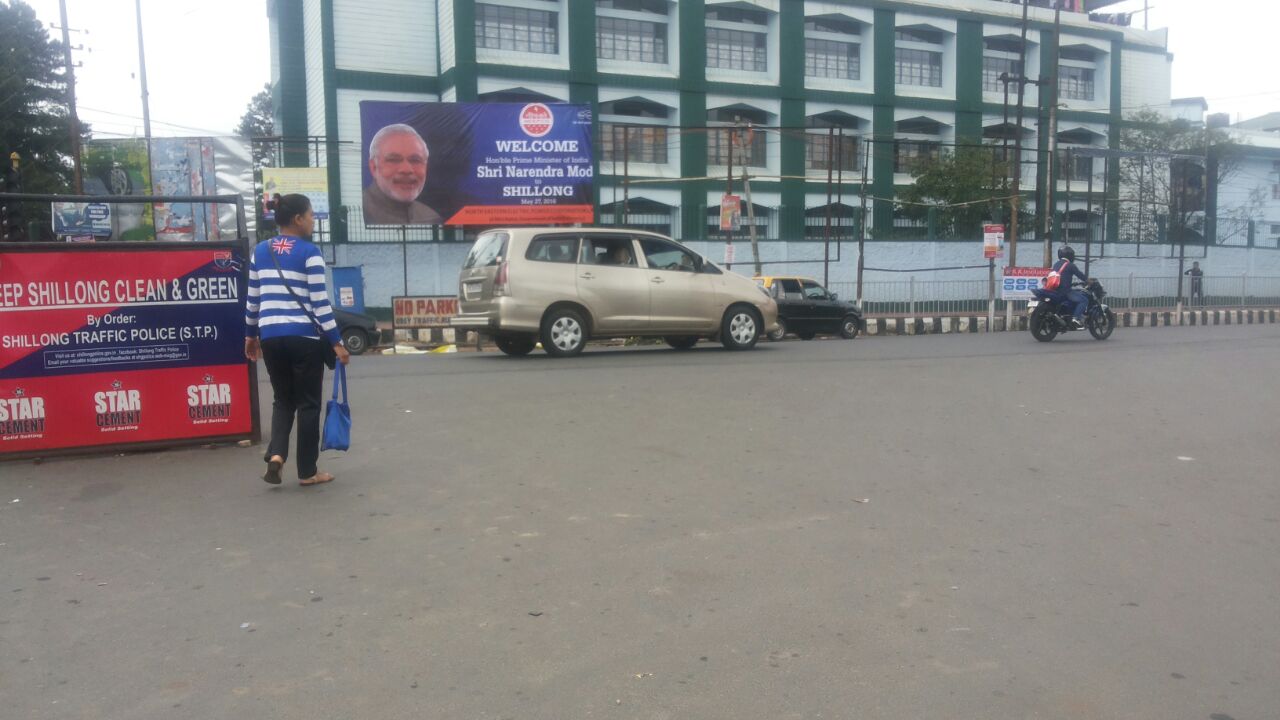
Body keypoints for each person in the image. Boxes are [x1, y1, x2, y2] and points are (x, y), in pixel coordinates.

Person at [245, 194, 351, 487]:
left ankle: (277, 455)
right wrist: (337, 342)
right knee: (308, 404)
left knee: (283, 400)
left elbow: (253, 300)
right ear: (298, 219)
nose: (313, 221)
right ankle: (307, 471)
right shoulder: (310, 253)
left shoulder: (260, 252)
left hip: (270, 336)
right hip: (304, 338)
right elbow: (320, 303)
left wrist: (250, 336)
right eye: (311, 215)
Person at [362, 124, 443, 225]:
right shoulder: (357, 214)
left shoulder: (431, 219)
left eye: (415, 160)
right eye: (394, 160)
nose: (406, 170)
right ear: (374, 167)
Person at [1051, 246, 1090, 329]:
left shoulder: (1056, 264)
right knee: (1084, 300)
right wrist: (1089, 281)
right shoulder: (1070, 265)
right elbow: (1080, 275)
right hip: (1065, 291)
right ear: (1070, 255)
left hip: (1055, 291)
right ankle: (1076, 318)